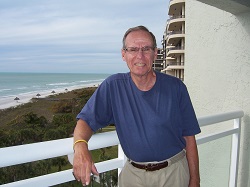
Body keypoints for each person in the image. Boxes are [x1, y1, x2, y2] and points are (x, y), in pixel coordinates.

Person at [73, 25, 201, 187]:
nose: (140, 56)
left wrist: (195, 179)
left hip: (173, 174)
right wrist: (80, 146)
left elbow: (189, 137)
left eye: (146, 49)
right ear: (123, 54)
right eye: (133, 49)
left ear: (155, 53)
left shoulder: (176, 88)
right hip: (133, 176)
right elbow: (85, 120)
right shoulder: (113, 86)